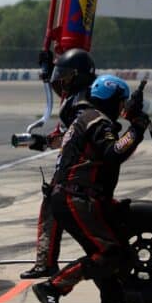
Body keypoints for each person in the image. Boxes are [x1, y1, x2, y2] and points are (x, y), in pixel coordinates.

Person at [32, 74, 150, 303]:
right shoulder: (97, 120)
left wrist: (132, 121)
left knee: (114, 253)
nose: (123, 107)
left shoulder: (87, 118)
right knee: (110, 253)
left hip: (77, 197)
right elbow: (113, 152)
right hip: (77, 197)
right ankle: (53, 287)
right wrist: (137, 129)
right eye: (121, 102)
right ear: (112, 100)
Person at [20, 48, 97, 279]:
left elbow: (75, 136)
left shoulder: (83, 103)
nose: (60, 80)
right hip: (75, 169)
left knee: (63, 212)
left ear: (78, 75)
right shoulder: (77, 98)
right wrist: (43, 142)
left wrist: (47, 142)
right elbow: (65, 135)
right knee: (53, 209)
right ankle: (46, 263)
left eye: (65, 75)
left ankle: (49, 265)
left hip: (79, 171)